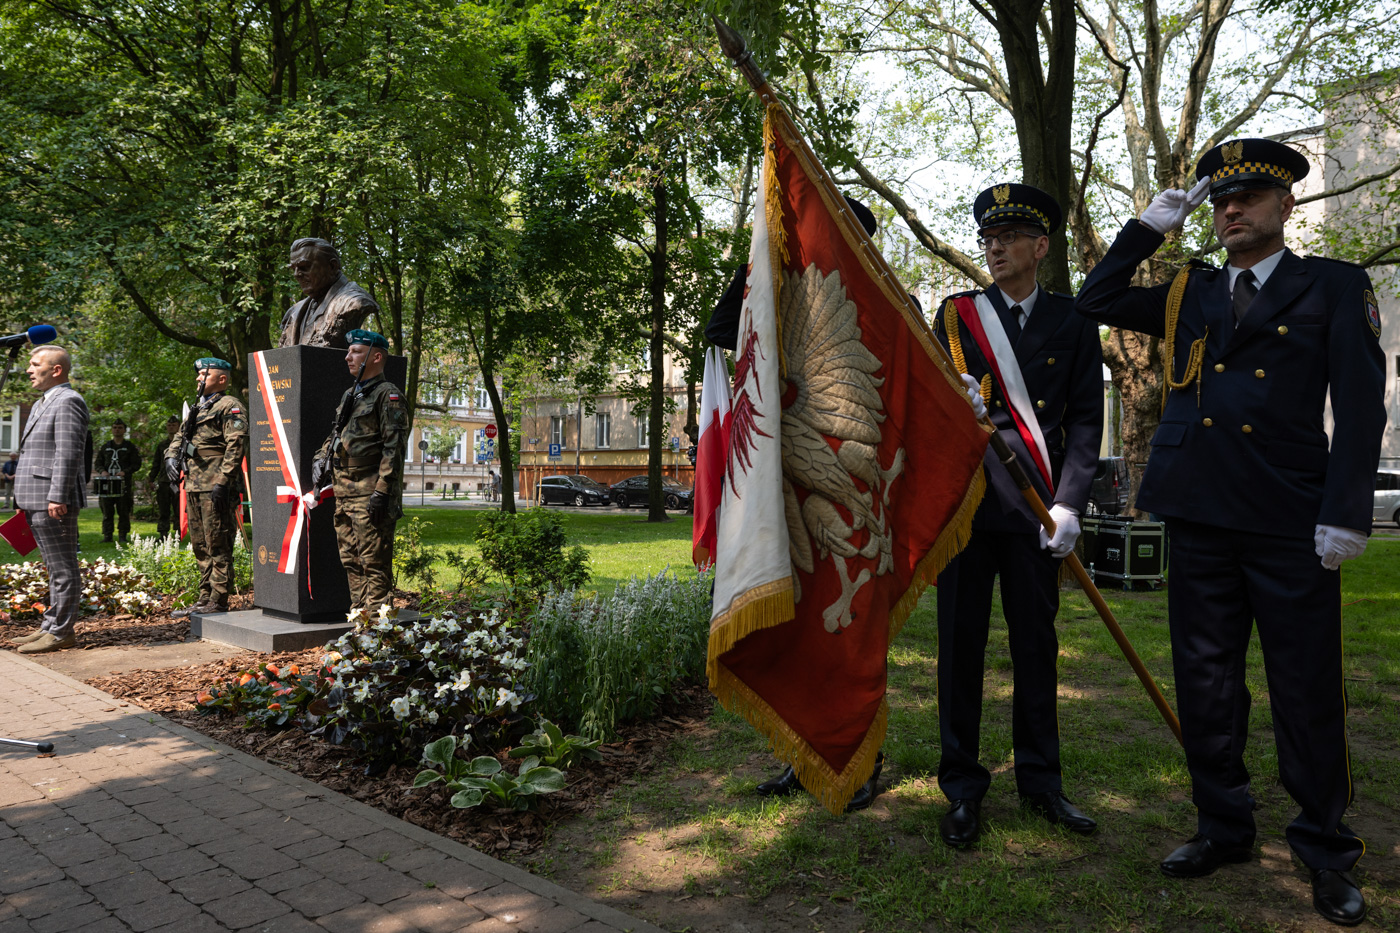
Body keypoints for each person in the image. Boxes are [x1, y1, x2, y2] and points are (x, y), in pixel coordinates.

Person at [1076, 138, 1383, 927]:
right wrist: (1147, 229)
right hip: (1201, 509)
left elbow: (1360, 404)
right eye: (1219, 200)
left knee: (1305, 687)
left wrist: (1346, 509)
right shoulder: (1192, 289)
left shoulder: (1333, 285)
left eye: (1247, 197)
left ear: (1286, 205)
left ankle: (1324, 846)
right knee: (1207, 682)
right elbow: (1095, 298)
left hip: (1289, 517)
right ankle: (1222, 824)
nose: (1231, 209)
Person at [931, 183, 1104, 847]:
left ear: (1041, 246)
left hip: (1038, 510)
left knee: (1036, 647)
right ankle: (962, 787)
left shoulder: (1074, 319)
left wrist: (1070, 502)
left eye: (1008, 238)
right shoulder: (957, 317)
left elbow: (1085, 419)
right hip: (969, 509)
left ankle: (1041, 782)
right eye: (988, 238)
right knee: (959, 649)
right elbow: (930, 403)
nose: (995, 248)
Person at [711, 195, 887, 812]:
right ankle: (801, 755)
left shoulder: (888, 305)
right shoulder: (775, 299)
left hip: (852, 495)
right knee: (798, 633)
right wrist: (760, 265)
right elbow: (718, 331)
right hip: (782, 491)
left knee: (854, 639)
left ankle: (861, 760)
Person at [312, 330, 407, 612]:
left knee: (374, 562)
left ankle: (377, 625)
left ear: (376, 357)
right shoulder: (351, 394)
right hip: (345, 492)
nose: (348, 357)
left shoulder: (388, 395)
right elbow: (335, 434)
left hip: (370, 493)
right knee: (351, 560)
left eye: (355, 352)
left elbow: (394, 448)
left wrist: (383, 492)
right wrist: (320, 458)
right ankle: (360, 619)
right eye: (349, 351)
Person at [10, 346, 89, 654]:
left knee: (63, 567)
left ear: (56, 370)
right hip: (36, 496)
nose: (29, 370)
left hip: (53, 499)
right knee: (53, 568)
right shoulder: (43, 401)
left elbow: (68, 453)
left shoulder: (68, 400)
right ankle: (50, 625)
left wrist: (57, 495)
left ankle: (61, 632)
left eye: (35, 364)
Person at [167, 358, 248, 615]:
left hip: (215, 485)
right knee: (200, 545)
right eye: (199, 374)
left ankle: (219, 599)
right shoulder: (198, 408)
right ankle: (205, 597)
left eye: (204, 374)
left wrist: (224, 481)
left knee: (218, 542)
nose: (198, 378)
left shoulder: (230, 405)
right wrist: (170, 457)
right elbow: (180, 437)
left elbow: (236, 445)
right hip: (194, 484)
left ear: (221, 379)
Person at [280, 238, 379, 348]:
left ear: (332, 266)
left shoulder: (353, 301)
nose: (296, 274)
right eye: (293, 269)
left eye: (304, 267)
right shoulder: (293, 312)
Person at [95, 419, 141, 545]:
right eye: (115, 427)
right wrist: (102, 471)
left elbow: (136, 464)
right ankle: (107, 535)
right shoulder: (106, 447)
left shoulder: (130, 447)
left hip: (123, 484)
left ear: (124, 430)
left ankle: (122, 535)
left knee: (124, 511)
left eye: (120, 427)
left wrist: (125, 472)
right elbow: (98, 463)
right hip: (107, 484)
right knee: (107, 511)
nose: (117, 430)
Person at [147, 415, 180, 538]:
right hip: (164, 481)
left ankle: (178, 534)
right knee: (163, 510)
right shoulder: (162, 445)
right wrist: (151, 479)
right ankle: (163, 534)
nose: (171, 427)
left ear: (179, 427)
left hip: (178, 481)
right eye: (169, 425)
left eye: (174, 425)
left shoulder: (183, 444)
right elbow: (156, 463)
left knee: (178, 509)